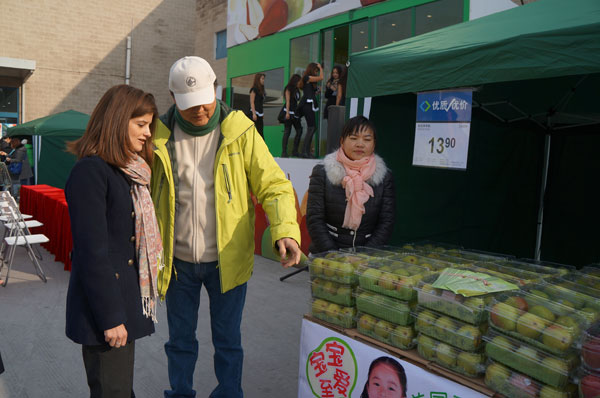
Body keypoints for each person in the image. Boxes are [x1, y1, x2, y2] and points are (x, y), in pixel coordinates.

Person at [151, 56, 302, 398]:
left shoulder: (240, 131)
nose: (200, 112)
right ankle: (180, 392)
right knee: (180, 341)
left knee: (228, 341)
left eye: (205, 102)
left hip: (227, 261)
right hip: (177, 264)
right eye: (190, 106)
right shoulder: (158, 135)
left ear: (215, 90)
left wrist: (285, 229)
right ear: (173, 98)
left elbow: (274, 185)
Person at [64, 84, 160, 398]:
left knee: (118, 391)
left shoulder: (127, 172)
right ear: (118, 120)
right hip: (105, 314)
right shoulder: (91, 172)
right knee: (112, 392)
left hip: (122, 305)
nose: (148, 133)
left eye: (149, 125)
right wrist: (111, 317)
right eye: (141, 124)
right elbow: (92, 253)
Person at [307, 115, 395, 253]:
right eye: (353, 138)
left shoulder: (384, 177)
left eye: (367, 139)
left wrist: (364, 256)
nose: (360, 144)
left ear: (374, 144)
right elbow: (315, 219)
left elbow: (386, 222)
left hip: (367, 261)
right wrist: (334, 256)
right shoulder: (323, 172)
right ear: (342, 141)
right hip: (326, 257)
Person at [297, 62, 323, 158]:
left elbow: (310, 92)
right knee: (311, 128)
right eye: (316, 70)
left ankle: (306, 151)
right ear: (312, 69)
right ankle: (304, 152)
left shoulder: (309, 81)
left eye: (317, 71)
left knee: (312, 128)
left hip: (309, 104)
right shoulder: (307, 77)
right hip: (307, 105)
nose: (317, 72)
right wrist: (321, 68)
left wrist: (316, 92)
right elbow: (321, 78)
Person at [281, 74, 303, 157]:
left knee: (299, 130)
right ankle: (284, 152)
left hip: (295, 113)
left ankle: (295, 151)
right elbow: (287, 101)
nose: (299, 83)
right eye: (299, 81)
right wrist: (287, 113)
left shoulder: (297, 90)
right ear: (295, 81)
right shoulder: (288, 88)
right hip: (289, 112)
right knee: (287, 131)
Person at [249, 72, 265, 138]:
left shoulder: (261, 90)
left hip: (260, 113)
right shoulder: (253, 90)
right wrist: (254, 114)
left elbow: (260, 103)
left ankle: (261, 147)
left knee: (261, 132)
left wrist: (262, 113)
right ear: (258, 79)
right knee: (255, 132)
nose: (263, 80)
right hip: (254, 113)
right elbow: (252, 102)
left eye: (264, 79)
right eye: (262, 79)